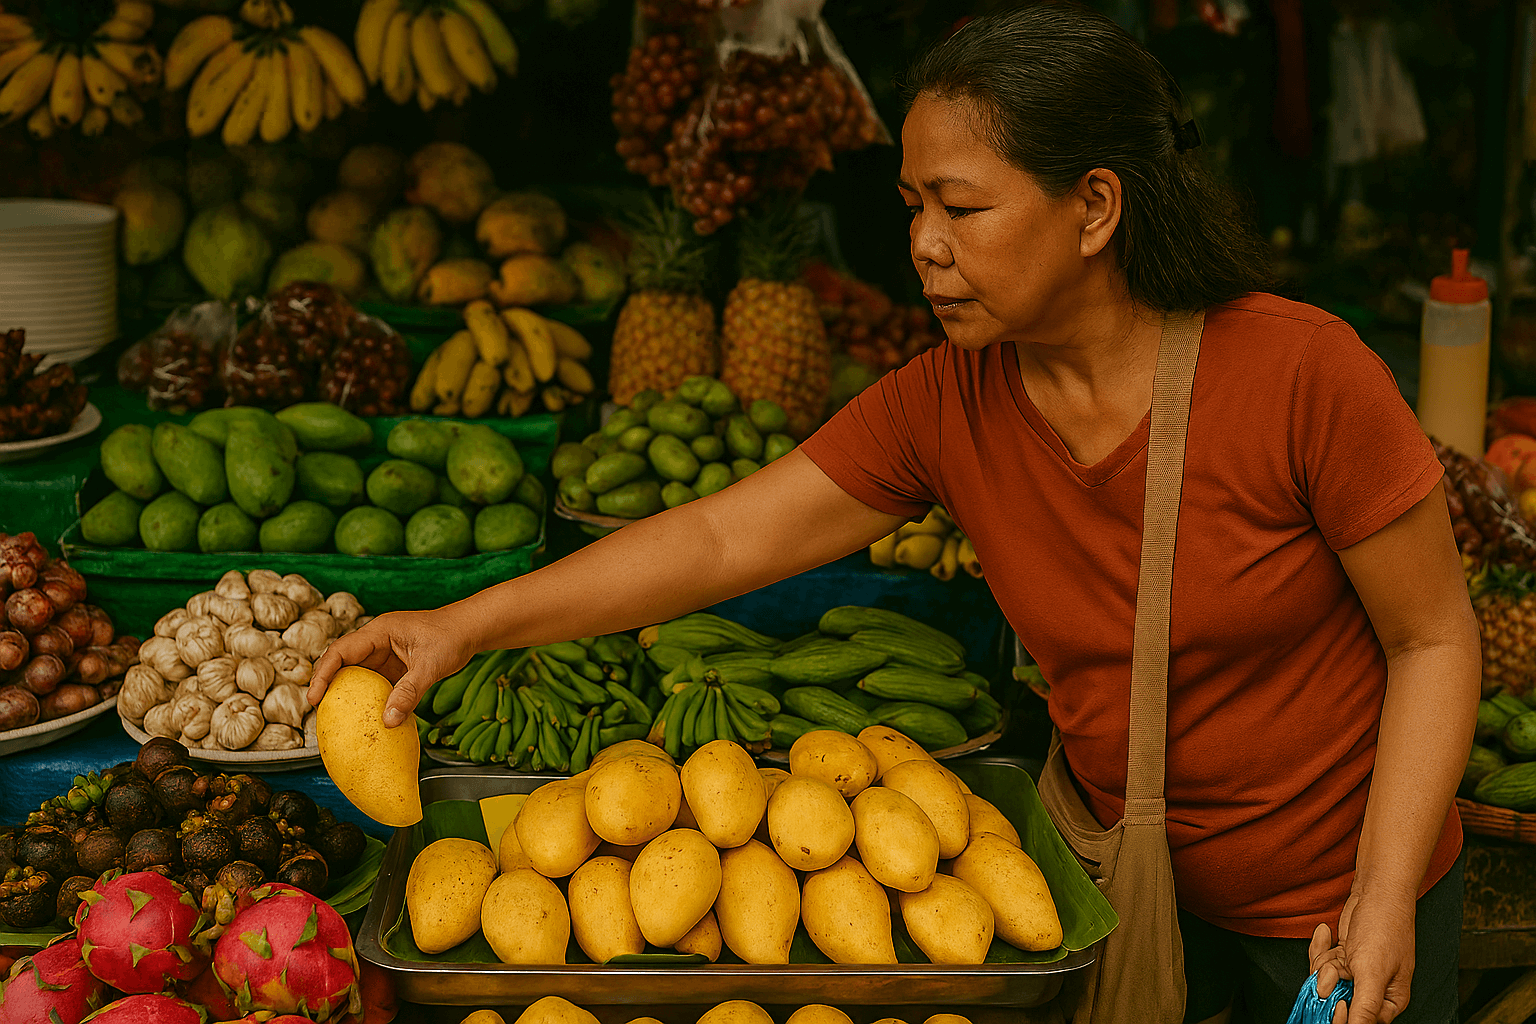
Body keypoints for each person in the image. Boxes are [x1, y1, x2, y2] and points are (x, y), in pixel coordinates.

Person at [309, 4, 1479, 1022]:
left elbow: (1432, 637)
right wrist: (466, 623)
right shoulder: (946, 400)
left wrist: (1382, 894)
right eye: (914, 203)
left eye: (962, 208)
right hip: (1120, 888)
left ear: (1096, 207)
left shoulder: (1301, 375)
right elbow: (722, 537)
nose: (922, 244)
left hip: (1339, 912)